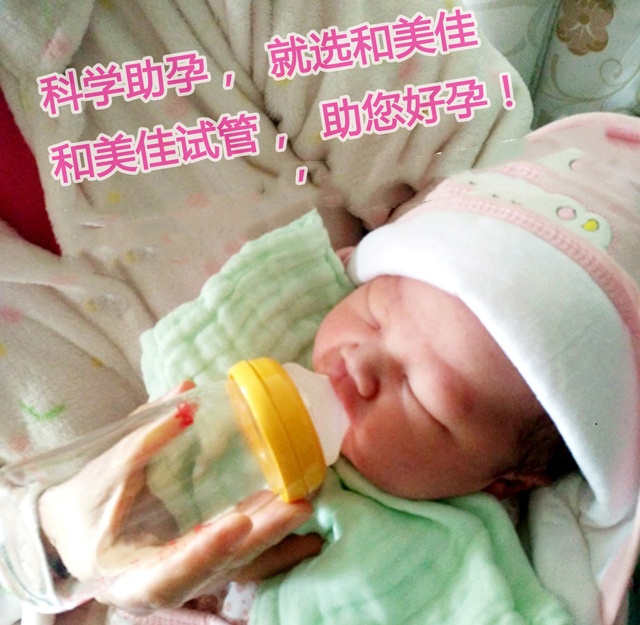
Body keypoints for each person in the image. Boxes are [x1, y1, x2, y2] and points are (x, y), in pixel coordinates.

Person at [31, 111, 640, 625]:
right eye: (373, 314)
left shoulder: (444, 563)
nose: (360, 364)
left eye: (423, 395)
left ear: (504, 481)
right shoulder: (241, 369)